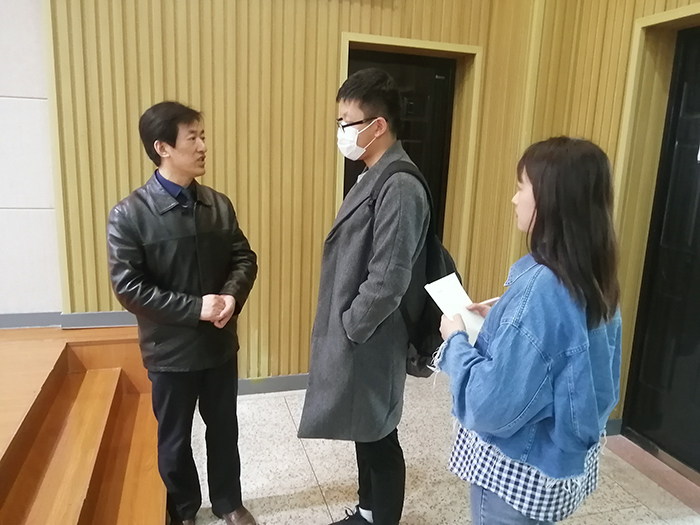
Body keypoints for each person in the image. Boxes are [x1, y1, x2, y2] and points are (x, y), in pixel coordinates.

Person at [436, 137, 622, 524]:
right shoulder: (596, 277)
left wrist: (455, 340)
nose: (514, 199)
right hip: (553, 476)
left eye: (522, 187)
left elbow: (488, 405)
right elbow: (576, 365)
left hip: (514, 481)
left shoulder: (541, 289)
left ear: (551, 201)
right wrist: (503, 320)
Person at [107, 101, 258, 525]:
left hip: (218, 344)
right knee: (174, 439)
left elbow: (243, 258)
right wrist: (195, 308)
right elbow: (129, 288)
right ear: (163, 148)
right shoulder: (129, 215)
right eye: (193, 138)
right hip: (169, 351)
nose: (203, 146)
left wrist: (231, 297)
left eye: (202, 136)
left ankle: (228, 502)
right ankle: (183, 509)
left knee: (224, 429)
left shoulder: (218, 205)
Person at [297, 68, 431, 525]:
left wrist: (352, 326)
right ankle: (369, 510)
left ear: (378, 126)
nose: (341, 131)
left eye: (347, 122)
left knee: (380, 437)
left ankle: (381, 517)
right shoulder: (374, 174)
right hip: (363, 333)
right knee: (364, 427)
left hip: (374, 333)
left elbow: (388, 278)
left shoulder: (400, 185)